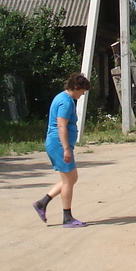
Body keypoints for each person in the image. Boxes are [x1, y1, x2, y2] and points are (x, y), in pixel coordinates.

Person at [32, 73, 92, 228]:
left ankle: (42, 203)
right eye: (83, 91)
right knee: (68, 181)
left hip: (58, 144)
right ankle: (67, 218)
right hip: (59, 145)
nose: (83, 94)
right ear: (76, 88)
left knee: (71, 179)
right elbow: (61, 126)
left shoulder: (63, 98)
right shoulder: (66, 102)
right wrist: (66, 149)